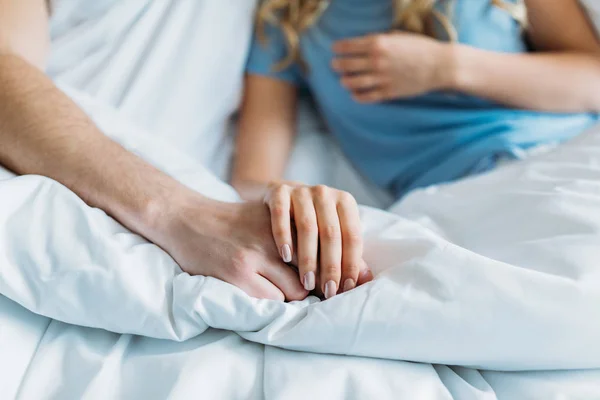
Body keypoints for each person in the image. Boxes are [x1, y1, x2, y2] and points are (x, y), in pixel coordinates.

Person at [0, 0, 372, 302]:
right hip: (52, 197)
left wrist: (284, 202)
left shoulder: (276, 18)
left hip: (203, 232)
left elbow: (249, 179)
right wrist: (182, 214)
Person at [232, 0, 600, 296]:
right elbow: (251, 177)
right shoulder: (285, 21)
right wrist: (296, 200)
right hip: (455, 202)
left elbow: (594, 80)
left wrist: (448, 66)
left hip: (570, 155)